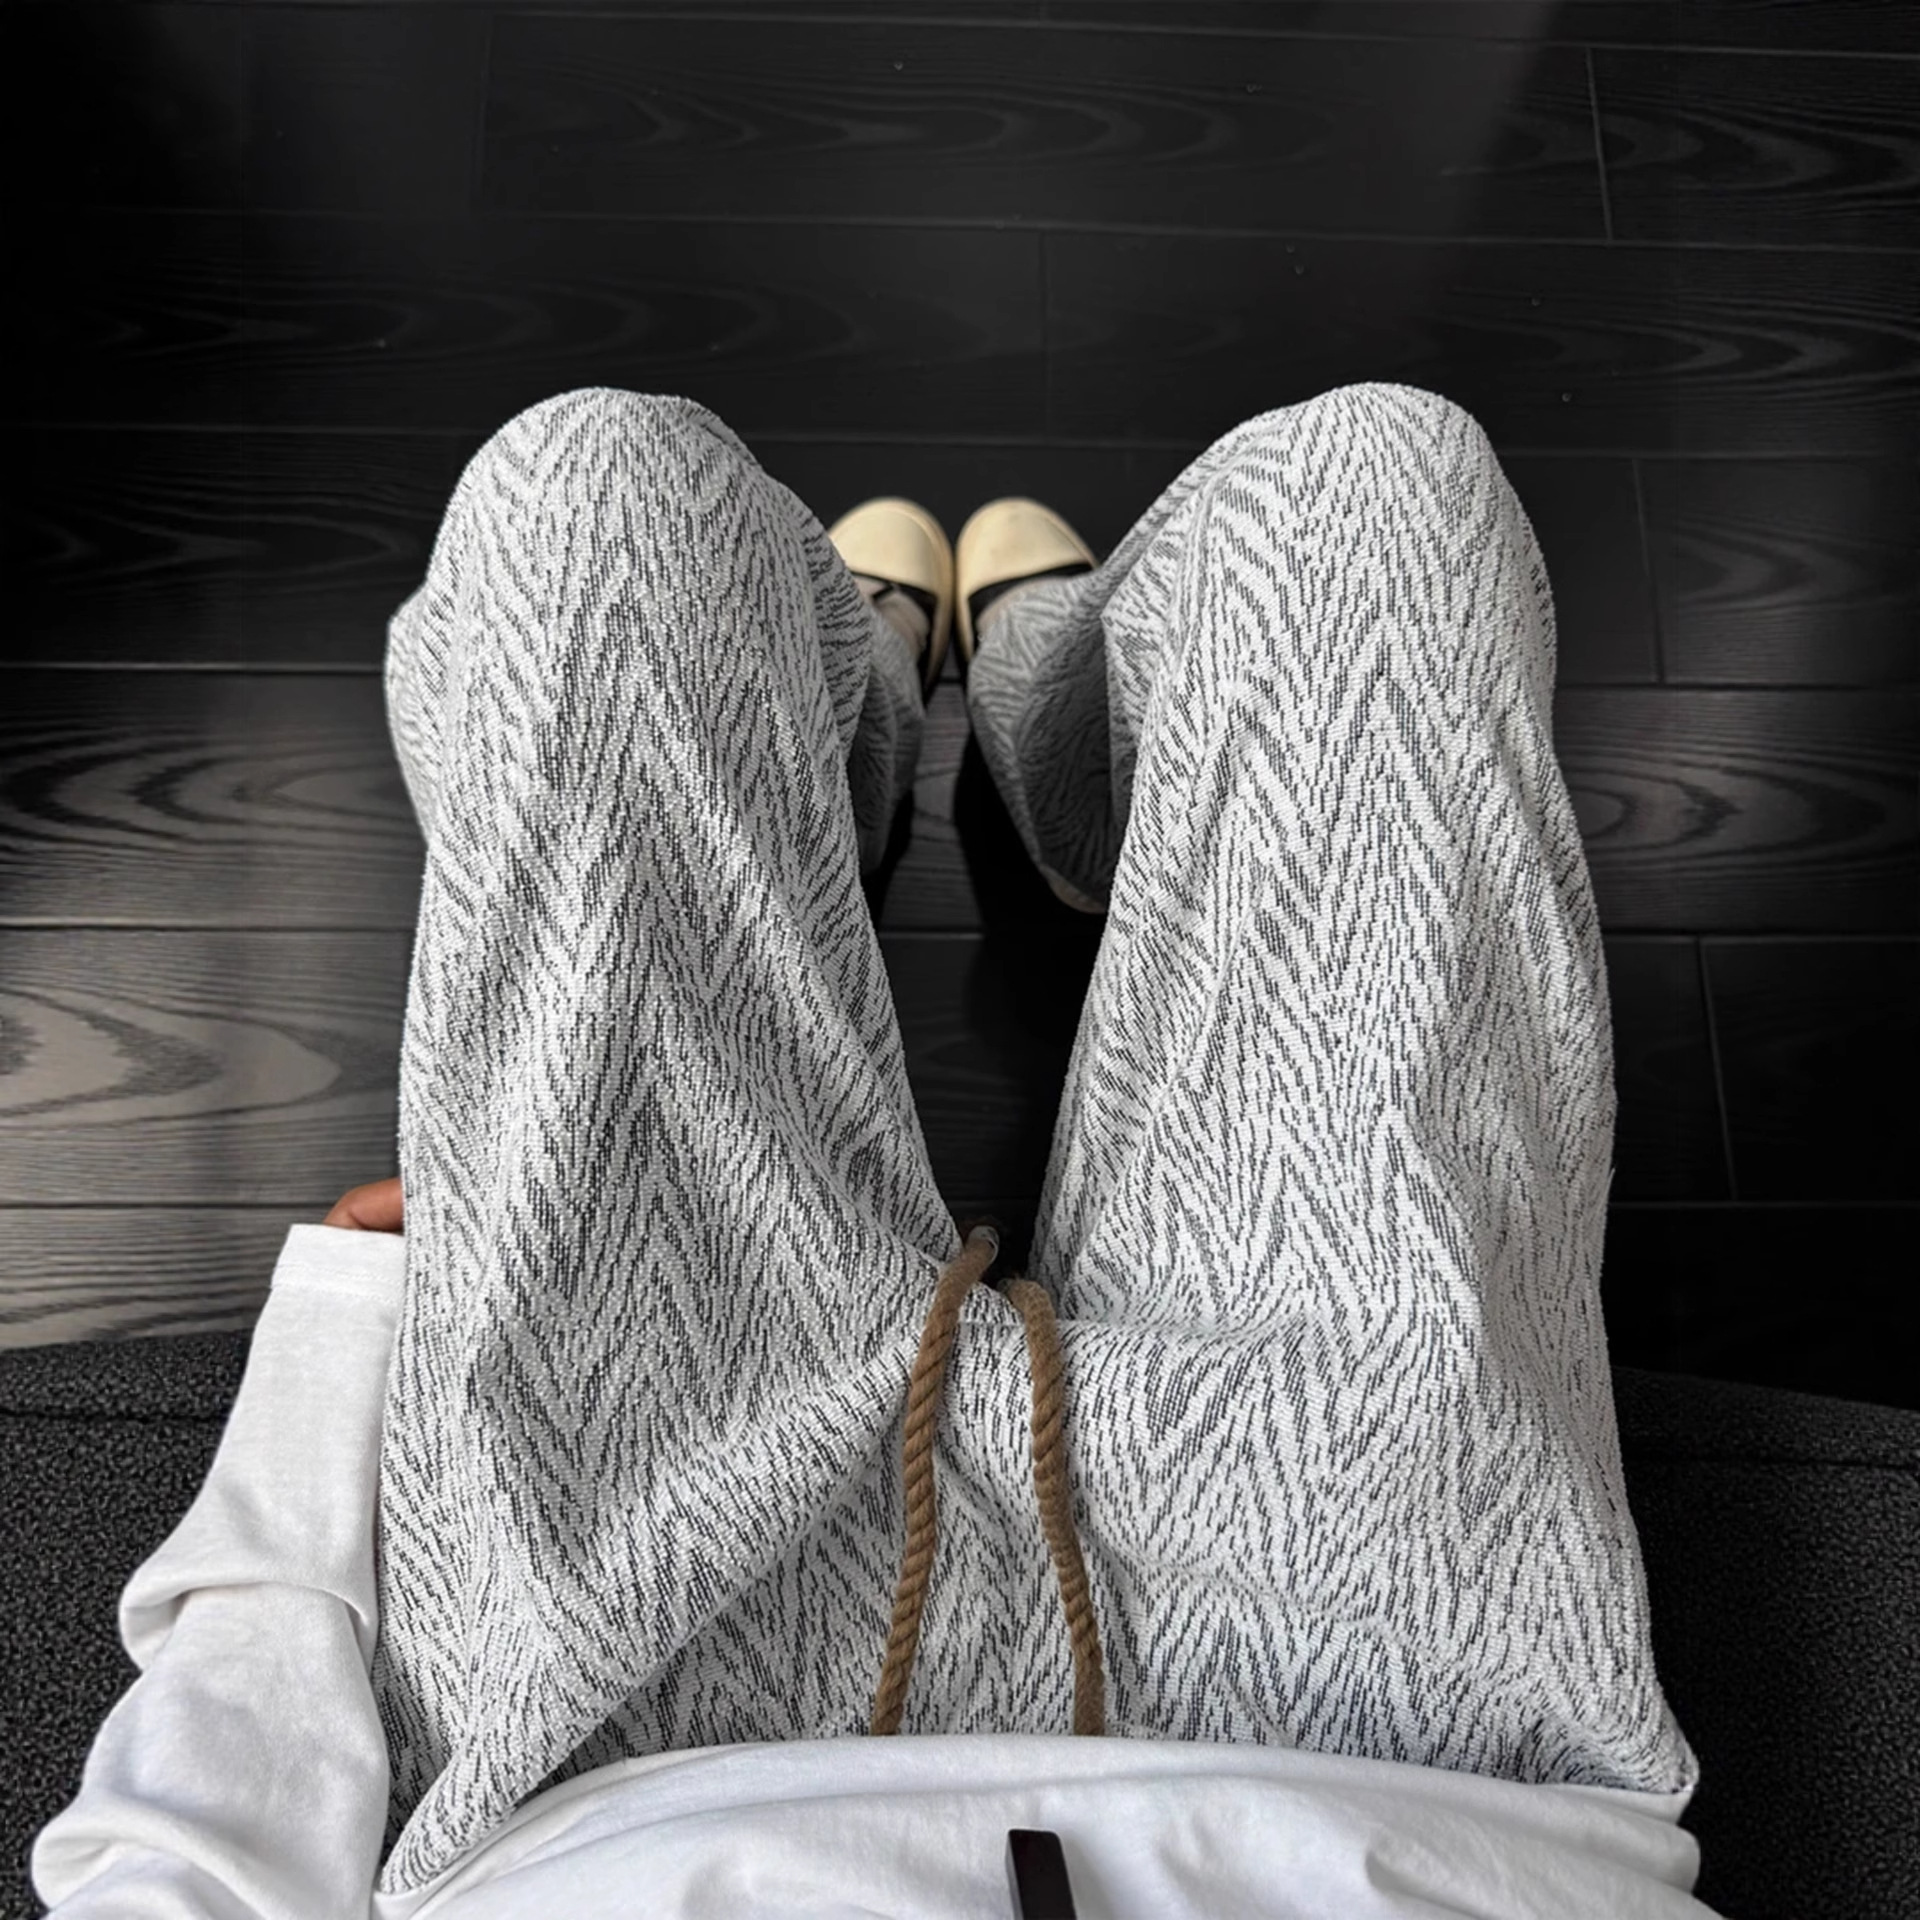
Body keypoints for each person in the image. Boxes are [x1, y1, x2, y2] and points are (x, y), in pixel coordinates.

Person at [32, 383, 1722, 1918]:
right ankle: (1044, 717)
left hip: (624, 1700)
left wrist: (330, 1362)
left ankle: (840, 730)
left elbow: (171, 1885)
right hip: (1409, 1720)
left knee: (596, 498)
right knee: (1381, 493)